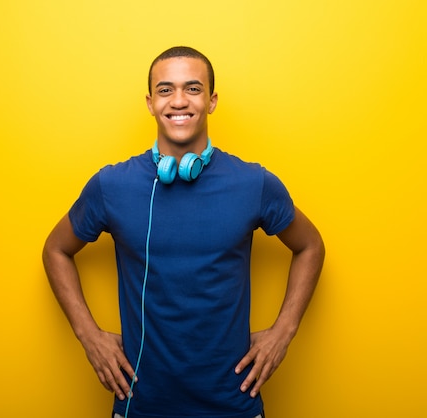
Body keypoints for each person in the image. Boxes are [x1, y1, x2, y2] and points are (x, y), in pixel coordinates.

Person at [42, 46, 325, 418]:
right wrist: (89, 336)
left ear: (211, 101)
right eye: (165, 90)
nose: (179, 101)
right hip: (141, 406)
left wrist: (283, 331)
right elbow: (55, 250)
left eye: (193, 89)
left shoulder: (253, 183)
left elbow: (310, 246)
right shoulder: (112, 185)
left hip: (233, 404)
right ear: (150, 102)